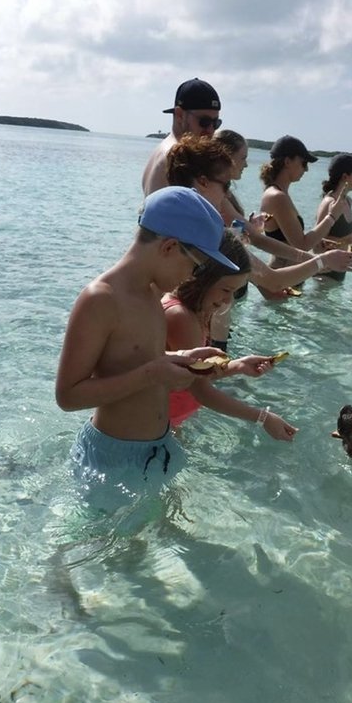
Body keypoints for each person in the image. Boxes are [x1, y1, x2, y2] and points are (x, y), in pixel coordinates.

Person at [55, 186, 238, 509]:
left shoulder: (151, 293)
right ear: (169, 247)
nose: (191, 276)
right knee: (98, 551)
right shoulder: (101, 299)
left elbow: (136, 359)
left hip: (156, 446)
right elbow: (68, 396)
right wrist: (152, 374)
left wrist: (181, 358)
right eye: (195, 265)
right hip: (112, 458)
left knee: (142, 546)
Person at [166, 134, 352, 321]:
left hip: (207, 313)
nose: (226, 197)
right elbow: (273, 274)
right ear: (203, 183)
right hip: (204, 318)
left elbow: (250, 255)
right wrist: (321, 258)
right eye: (226, 187)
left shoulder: (180, 225)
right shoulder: (212, 234)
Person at [163, 230, 298, 441]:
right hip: (150, 425)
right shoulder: (180, 316)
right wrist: (262, 417)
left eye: (234, 292)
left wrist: (238, 366)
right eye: (225, 290)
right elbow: (201, 390)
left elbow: (192, 373)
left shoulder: (196, 311)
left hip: (168, 422)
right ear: (202, 277)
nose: (227, 301)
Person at [259, 136, 351, 277]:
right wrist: (332, 216)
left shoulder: (278, 194)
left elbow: (292, 240)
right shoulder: (277, 197)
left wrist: (319, 240)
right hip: (282, 278)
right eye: (304, 163)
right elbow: (301, 245)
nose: (306, 169)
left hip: (286, 277)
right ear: (287, 162)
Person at [141, 78, 222, 196]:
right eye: (204, 122)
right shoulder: (177, 158)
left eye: (215, 123)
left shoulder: (162, 150)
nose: (210, 130)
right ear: (179, 115)